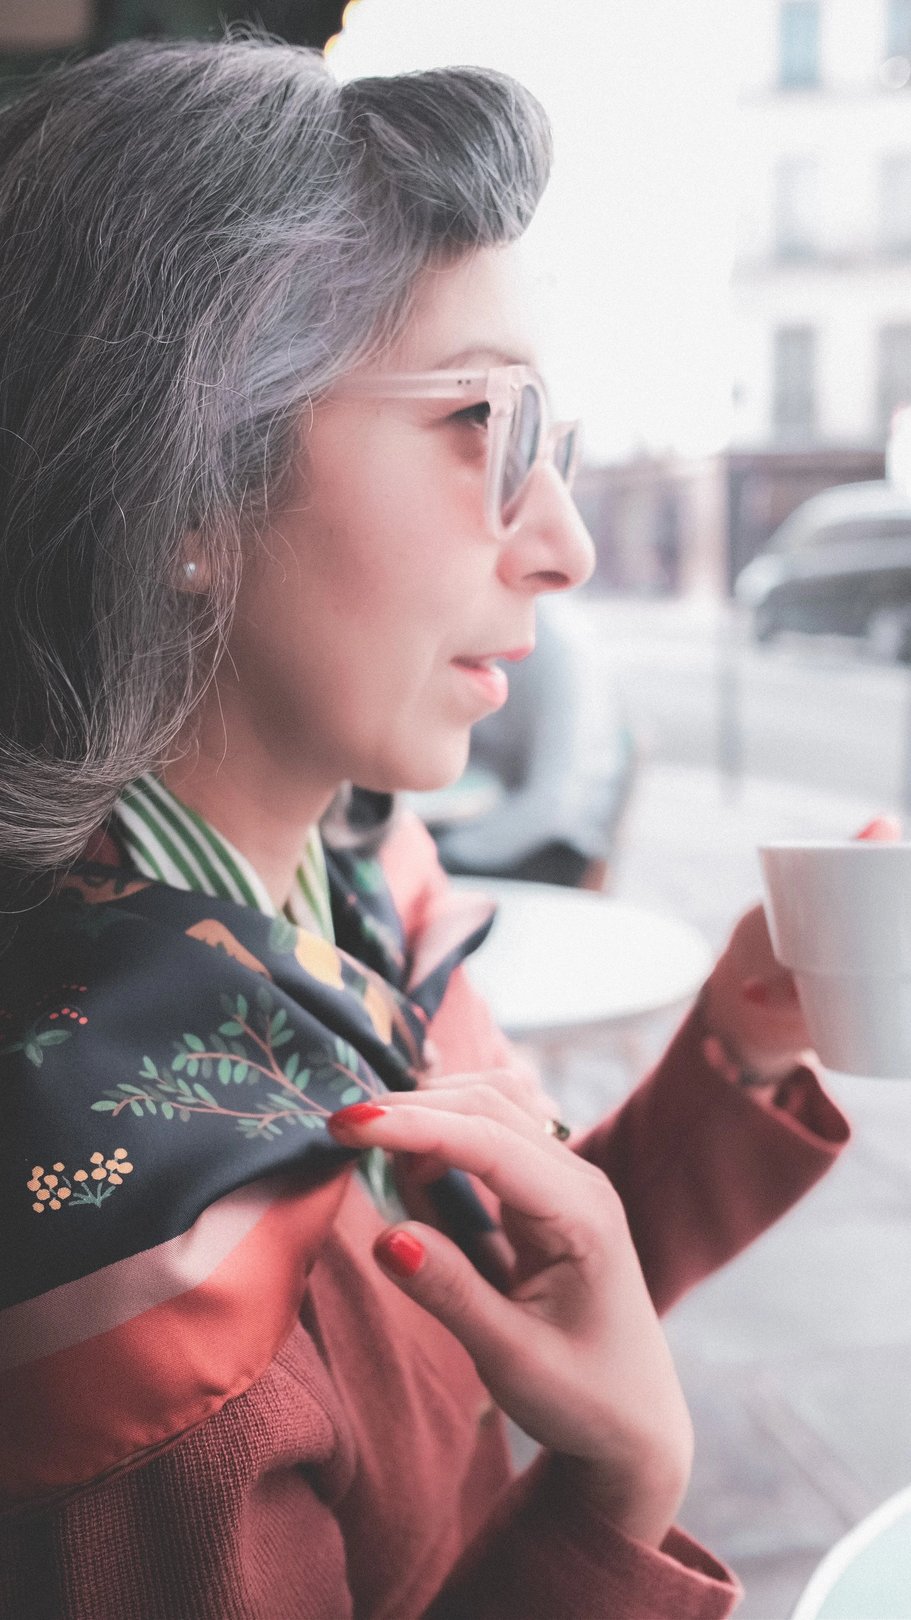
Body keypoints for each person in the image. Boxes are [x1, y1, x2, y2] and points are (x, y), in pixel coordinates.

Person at [0, 38, 853, 1620]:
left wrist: (726, 1062)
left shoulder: (354, 878)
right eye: (478, 421)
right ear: (182, 485)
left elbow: (479, 1298)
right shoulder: (131, 1257)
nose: (568, 544)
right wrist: (611, 1504)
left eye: (554, 443)